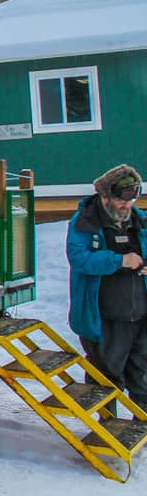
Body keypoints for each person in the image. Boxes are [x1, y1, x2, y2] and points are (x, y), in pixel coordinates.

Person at [67, 165, 147, 411]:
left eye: (132, 199)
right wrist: (119, 261)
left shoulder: (138, 220)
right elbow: (78, 257)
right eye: (121, 200)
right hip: (104, 318)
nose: (127, 206)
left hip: (139, 316)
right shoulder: (86, 221)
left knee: (141, 376)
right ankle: (106, 434)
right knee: (106, 378)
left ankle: (142, 427)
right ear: (104, 197)